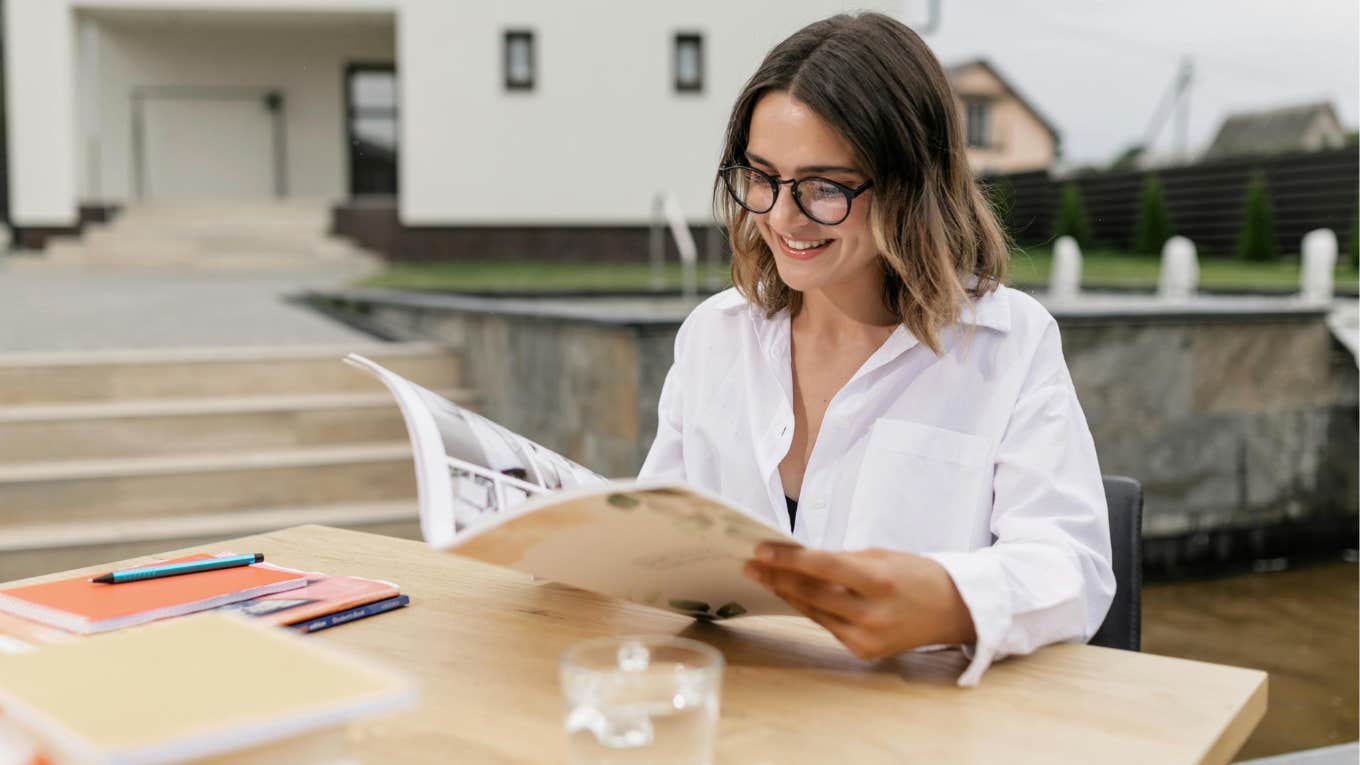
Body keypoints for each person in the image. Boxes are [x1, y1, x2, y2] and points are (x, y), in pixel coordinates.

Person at [638, 12, 1115, 687]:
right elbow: (659, 530)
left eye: (824, 188)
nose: (779, 216)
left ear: (910, 186)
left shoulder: (1008, 346)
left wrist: (950, 600)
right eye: (761, 176)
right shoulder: (714, 338)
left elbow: (1075, 567)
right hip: (738, 713)